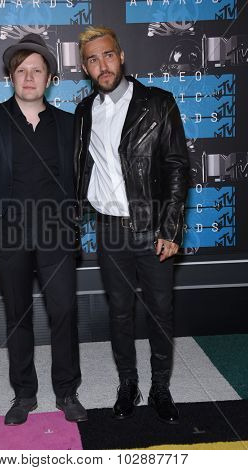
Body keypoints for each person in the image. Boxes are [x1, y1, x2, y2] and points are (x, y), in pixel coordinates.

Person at [0, 33, 87, 425]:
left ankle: (67, 392)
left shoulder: (70, 126)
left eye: (37, 70)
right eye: (21, 71)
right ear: (11, 78)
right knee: (18, 317)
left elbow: (83, 180)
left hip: (56, 237)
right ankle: (24, 394)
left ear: (50, 79)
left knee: (64, 313)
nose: (28, 77)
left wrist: (72, 221)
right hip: (7, 238)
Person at [74, 26, 189, 423]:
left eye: (107, 55)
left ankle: (160, 387)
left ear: (121, 55)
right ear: (85, 67)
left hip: (152, 228)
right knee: (119, 312)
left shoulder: (158, 104)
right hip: (109, 230)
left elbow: (176, 167)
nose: (102, 65)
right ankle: (128, 384)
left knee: (160, 311)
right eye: (92, 59)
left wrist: (171, 229)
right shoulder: (84, 112)